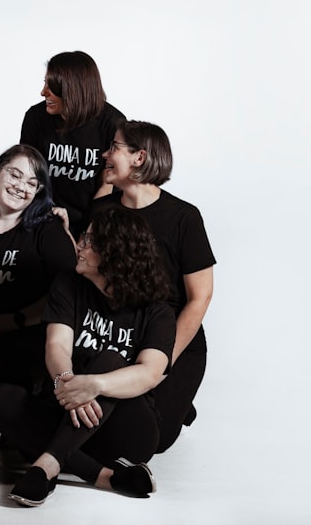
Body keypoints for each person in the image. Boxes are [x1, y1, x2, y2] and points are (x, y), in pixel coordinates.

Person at [0, 205, 175, 507]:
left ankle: (46, 466)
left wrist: (95, 385)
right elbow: (57, 346)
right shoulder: (68, 285)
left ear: (112, 253)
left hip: (126, 431)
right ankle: (106, 477)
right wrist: (65, 381)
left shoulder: (157, 311)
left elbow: (150, 373)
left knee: (110, 361)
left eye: (88, 241)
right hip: (68, 413)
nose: (80, 246)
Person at [95, 120, 215, 452]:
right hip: (121, 335)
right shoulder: (102, 212)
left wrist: (164, 360)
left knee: (156, 441)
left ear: (139, 157)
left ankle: (177, 401)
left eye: (114, 148)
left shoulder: (184, 218)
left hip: (175, 340)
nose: (105, 154)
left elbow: (200, 297)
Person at [0, 145, 76, 424]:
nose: (21, 187)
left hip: (21, 345)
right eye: (15, 175)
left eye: (32, 183)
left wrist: (15, 320)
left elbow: (69, 293)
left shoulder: (47, 232)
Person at [20, 51, 124, 237]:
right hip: (44, 219)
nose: (43, 92)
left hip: (94, 222)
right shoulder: (35, 118)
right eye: (45, 83)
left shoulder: (112, 123)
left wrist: (87, 236)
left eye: (51, 85)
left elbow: (107, 186)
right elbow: (28, 175)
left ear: (72, 89)